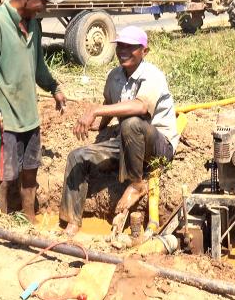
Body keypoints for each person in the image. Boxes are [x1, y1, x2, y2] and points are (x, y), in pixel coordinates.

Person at [0, 0, 68, 223]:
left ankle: (30, 220)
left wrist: (54, 88)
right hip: (4, 119)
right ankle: (3, 226)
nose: (44, 8)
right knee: (5, 176)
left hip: (29, 117)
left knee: (30, 173)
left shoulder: (35, 24)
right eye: (43, 1)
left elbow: (37, 67)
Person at [59, 26, 179, 237]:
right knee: (77, 156)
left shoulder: (153, 75)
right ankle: (71, 223)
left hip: (158, 147)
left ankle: (137, 182)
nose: (123, 51)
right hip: (127, 142)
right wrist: (101, 125)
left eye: (130, 47)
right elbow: (110, 102)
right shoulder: (114, 75)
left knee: (131, 122)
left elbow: (140, 107)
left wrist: (95, 111)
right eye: (121, 46)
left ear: (144, 51)